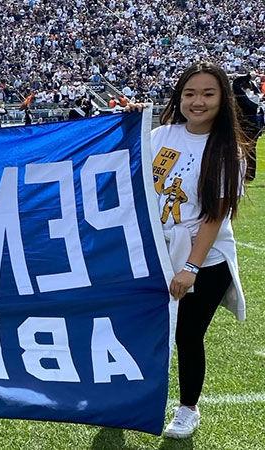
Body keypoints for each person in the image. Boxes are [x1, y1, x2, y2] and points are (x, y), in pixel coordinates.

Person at [137, 61, 247, 439]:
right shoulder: (162, 133)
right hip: (155, 249)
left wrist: (190, 268)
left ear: (223, 99)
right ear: (179, 96)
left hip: (204, 260)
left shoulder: (229, 151)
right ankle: (133, 397)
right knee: (143, 328)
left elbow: (214, 219)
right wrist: (126, 123)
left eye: (207, 93)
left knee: (187, 334)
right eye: (189, 93)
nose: (197, 101)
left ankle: (188, 409)